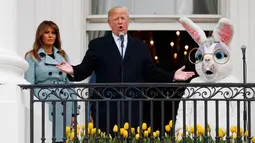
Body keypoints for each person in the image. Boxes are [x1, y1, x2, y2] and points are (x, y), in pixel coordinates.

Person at [56, 6, 195, 133]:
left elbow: (151, 71)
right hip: (106, 106)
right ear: (109, 23)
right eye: (116, 19)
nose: (120, 22)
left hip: (133, 106)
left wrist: (172, 76)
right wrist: (72, 70)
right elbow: (84, 69)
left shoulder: (140, 46)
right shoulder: (98, 45)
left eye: (123, 18)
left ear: (128, 22)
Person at [25, 20, 79, 143]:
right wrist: (44, 97)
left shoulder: (63, 56)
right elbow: (29, 84)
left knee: (66, 139)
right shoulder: (32, 56)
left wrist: (74, 113)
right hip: (44, 103)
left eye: (53, 33)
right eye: (47, 32)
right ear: (40, 35)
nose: (50, 36)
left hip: (65, 101)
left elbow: (70, 84)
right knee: (47, 137)